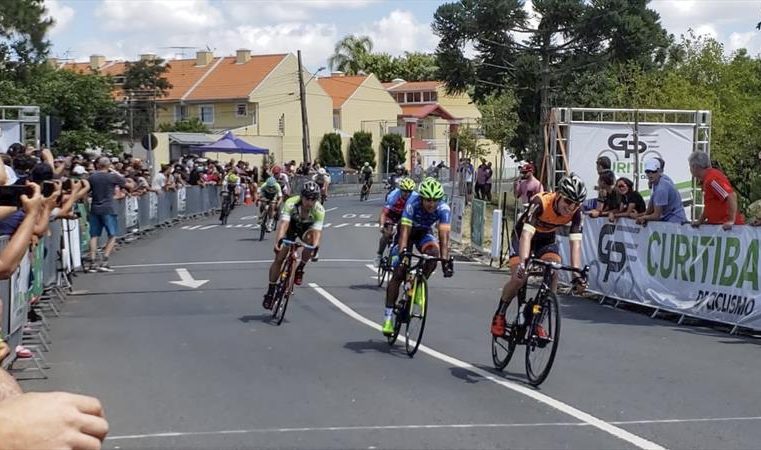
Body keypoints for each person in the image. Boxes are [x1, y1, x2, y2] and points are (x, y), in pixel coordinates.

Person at [491, 173, 588, 337]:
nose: (571, 208)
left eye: (576, 204)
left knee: (553, 272)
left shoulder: (576, 213)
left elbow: (575, 244)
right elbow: (526, 236)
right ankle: (500, 314)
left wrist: (577, 275)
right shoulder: (541, 203)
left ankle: (538, 321)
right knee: (519, 278)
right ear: (558, 195)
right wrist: (523, 263)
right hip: (523, 236)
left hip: (546, 240)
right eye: (568, 202)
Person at [382, 177, 454, 336]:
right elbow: (405, 233)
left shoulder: (444, 209)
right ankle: (387, 318)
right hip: (406, 233)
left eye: (435, 200)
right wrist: (403, 253)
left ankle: (419, 284)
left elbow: (444, 237)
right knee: (399, 272)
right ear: (421, 198)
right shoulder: (412, 203)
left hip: (424, 233)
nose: (431, 204)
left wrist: (445, 261)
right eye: (428, 200)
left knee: (434, 256)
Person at [262, 181, 325, 310]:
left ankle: (300, 267)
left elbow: (317, 232)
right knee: (279, 258)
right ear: (301, 196)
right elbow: (284, 224)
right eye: (307, 198)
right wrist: (278, 242)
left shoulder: (319, 210)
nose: (310, 202)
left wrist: (315, 248)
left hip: (306, 229)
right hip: (291, 226)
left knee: (310, 240)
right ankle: (270, 291)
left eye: (313, 199)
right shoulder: (291, 203)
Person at [86, 157, 134, 273]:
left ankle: (92, 262)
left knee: (94, 235)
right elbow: (130, 185)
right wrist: (116, 172)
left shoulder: (92, 177)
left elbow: (86, 190)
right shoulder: (112, 176)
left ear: (98, 165)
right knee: (112, 235)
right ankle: (105, 261)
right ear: (108, 165)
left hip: (95, 207)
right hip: (108, 208)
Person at [688, 151, 744, 230]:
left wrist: (731, 221)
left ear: (695, 167)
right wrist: (700, 221)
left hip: (727, 229)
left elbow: (731, 196)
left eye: (690, 166)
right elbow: (710, 206)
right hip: (719, 227)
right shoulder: (708, 179)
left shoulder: (712, 180)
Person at [375, 177, 416, 266]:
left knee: (407, 235)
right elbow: (384, 213)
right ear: (400, 190)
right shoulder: (393, 196)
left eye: (409, 191)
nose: (407, 194)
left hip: (404, 216)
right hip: (392, 215)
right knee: (387, 233)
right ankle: (379, 255)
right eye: (404, 191)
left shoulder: (415, 197)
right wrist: (382, 226)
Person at [634, 159, 687, 225]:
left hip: (675, 221)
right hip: (672, 219)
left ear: (659, 171)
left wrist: (642, 217)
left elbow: (656, 216)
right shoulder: (659, 180)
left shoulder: (661, 188)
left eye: (653, 171)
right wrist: (640, 215)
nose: (650, 174)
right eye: (647, 171)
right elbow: (650, 208)